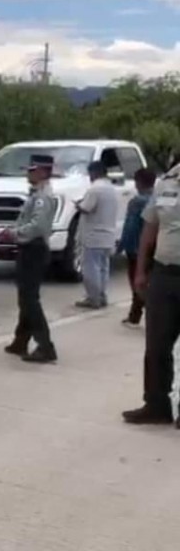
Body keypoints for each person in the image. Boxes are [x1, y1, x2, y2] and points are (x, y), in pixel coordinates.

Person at [122, 163, 180, 426]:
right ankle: (156, 405)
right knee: (156, 344)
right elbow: (150, 227)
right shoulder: (166, 182)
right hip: (163, 274)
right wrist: (141, 271)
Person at [1, 155, 58, 364]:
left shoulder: (43, 196)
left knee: (29, 299)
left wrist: (13, 234)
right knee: (25, 297)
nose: (28, 173)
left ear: (43, 171)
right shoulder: (37, 194)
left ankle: (45, 346)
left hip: (33, 249)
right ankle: (21, 340)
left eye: (32, 170)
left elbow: (38, 226)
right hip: (29, 248)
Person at [74, 161, 119, 309]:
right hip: (108, 235)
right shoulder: (112, 189)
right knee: (103, 269)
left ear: (94, 172)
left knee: (91, 269)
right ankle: (101, 295)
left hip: (93, 236)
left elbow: (87, 208)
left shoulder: (95, 189)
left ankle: (93, 298)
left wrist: (78, 205)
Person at [117, 168, 156, 327]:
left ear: (138, 182)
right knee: (149, 282)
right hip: (154, 248)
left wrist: (122, 245)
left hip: (136, 248)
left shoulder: (137, 202)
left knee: (136, 283)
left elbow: (131, 227)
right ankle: (137, 315)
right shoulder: (157, 199)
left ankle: (139, 315)